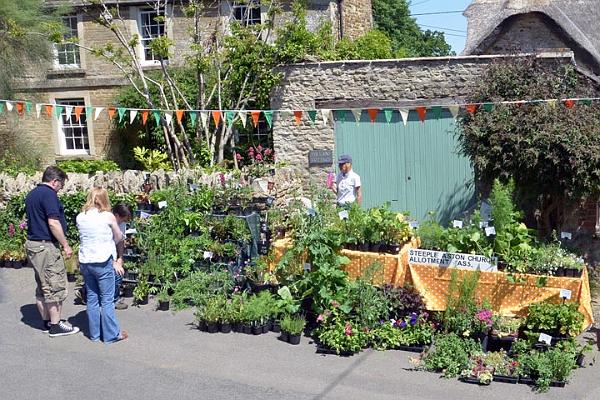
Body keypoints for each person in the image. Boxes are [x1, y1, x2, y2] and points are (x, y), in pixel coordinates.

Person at [25, 165, 80, 337]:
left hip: (34, 245)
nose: (60, 189)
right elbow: (53, 223)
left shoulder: (32, 194)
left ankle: (46, 321)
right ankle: (55, 326)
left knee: (42, 285)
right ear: (55, 181)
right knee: (54, 285)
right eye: (61, 185)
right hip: (46, 246)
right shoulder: (49, 195)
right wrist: (65, 245)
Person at [76, 188, 128, 343]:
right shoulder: (107, 216)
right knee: (107, 299)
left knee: (92, 297)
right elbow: (118, 237)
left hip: (85, 261)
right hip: (103, 261)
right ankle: (111, 335)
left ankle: (94, 334)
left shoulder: (80, 217)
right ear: (104, 199)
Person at [112, 203, 132, 310]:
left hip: (112, 253)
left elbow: (120, 241)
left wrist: (120, 257)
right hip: (102, 255)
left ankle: (114, 298)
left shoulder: (121, 224)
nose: (123, 222)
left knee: (118, 273)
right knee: (116, 275)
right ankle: (113, 300)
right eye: (123, 219)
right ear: (116, 215)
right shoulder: (107, 223)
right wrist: (113, 262)